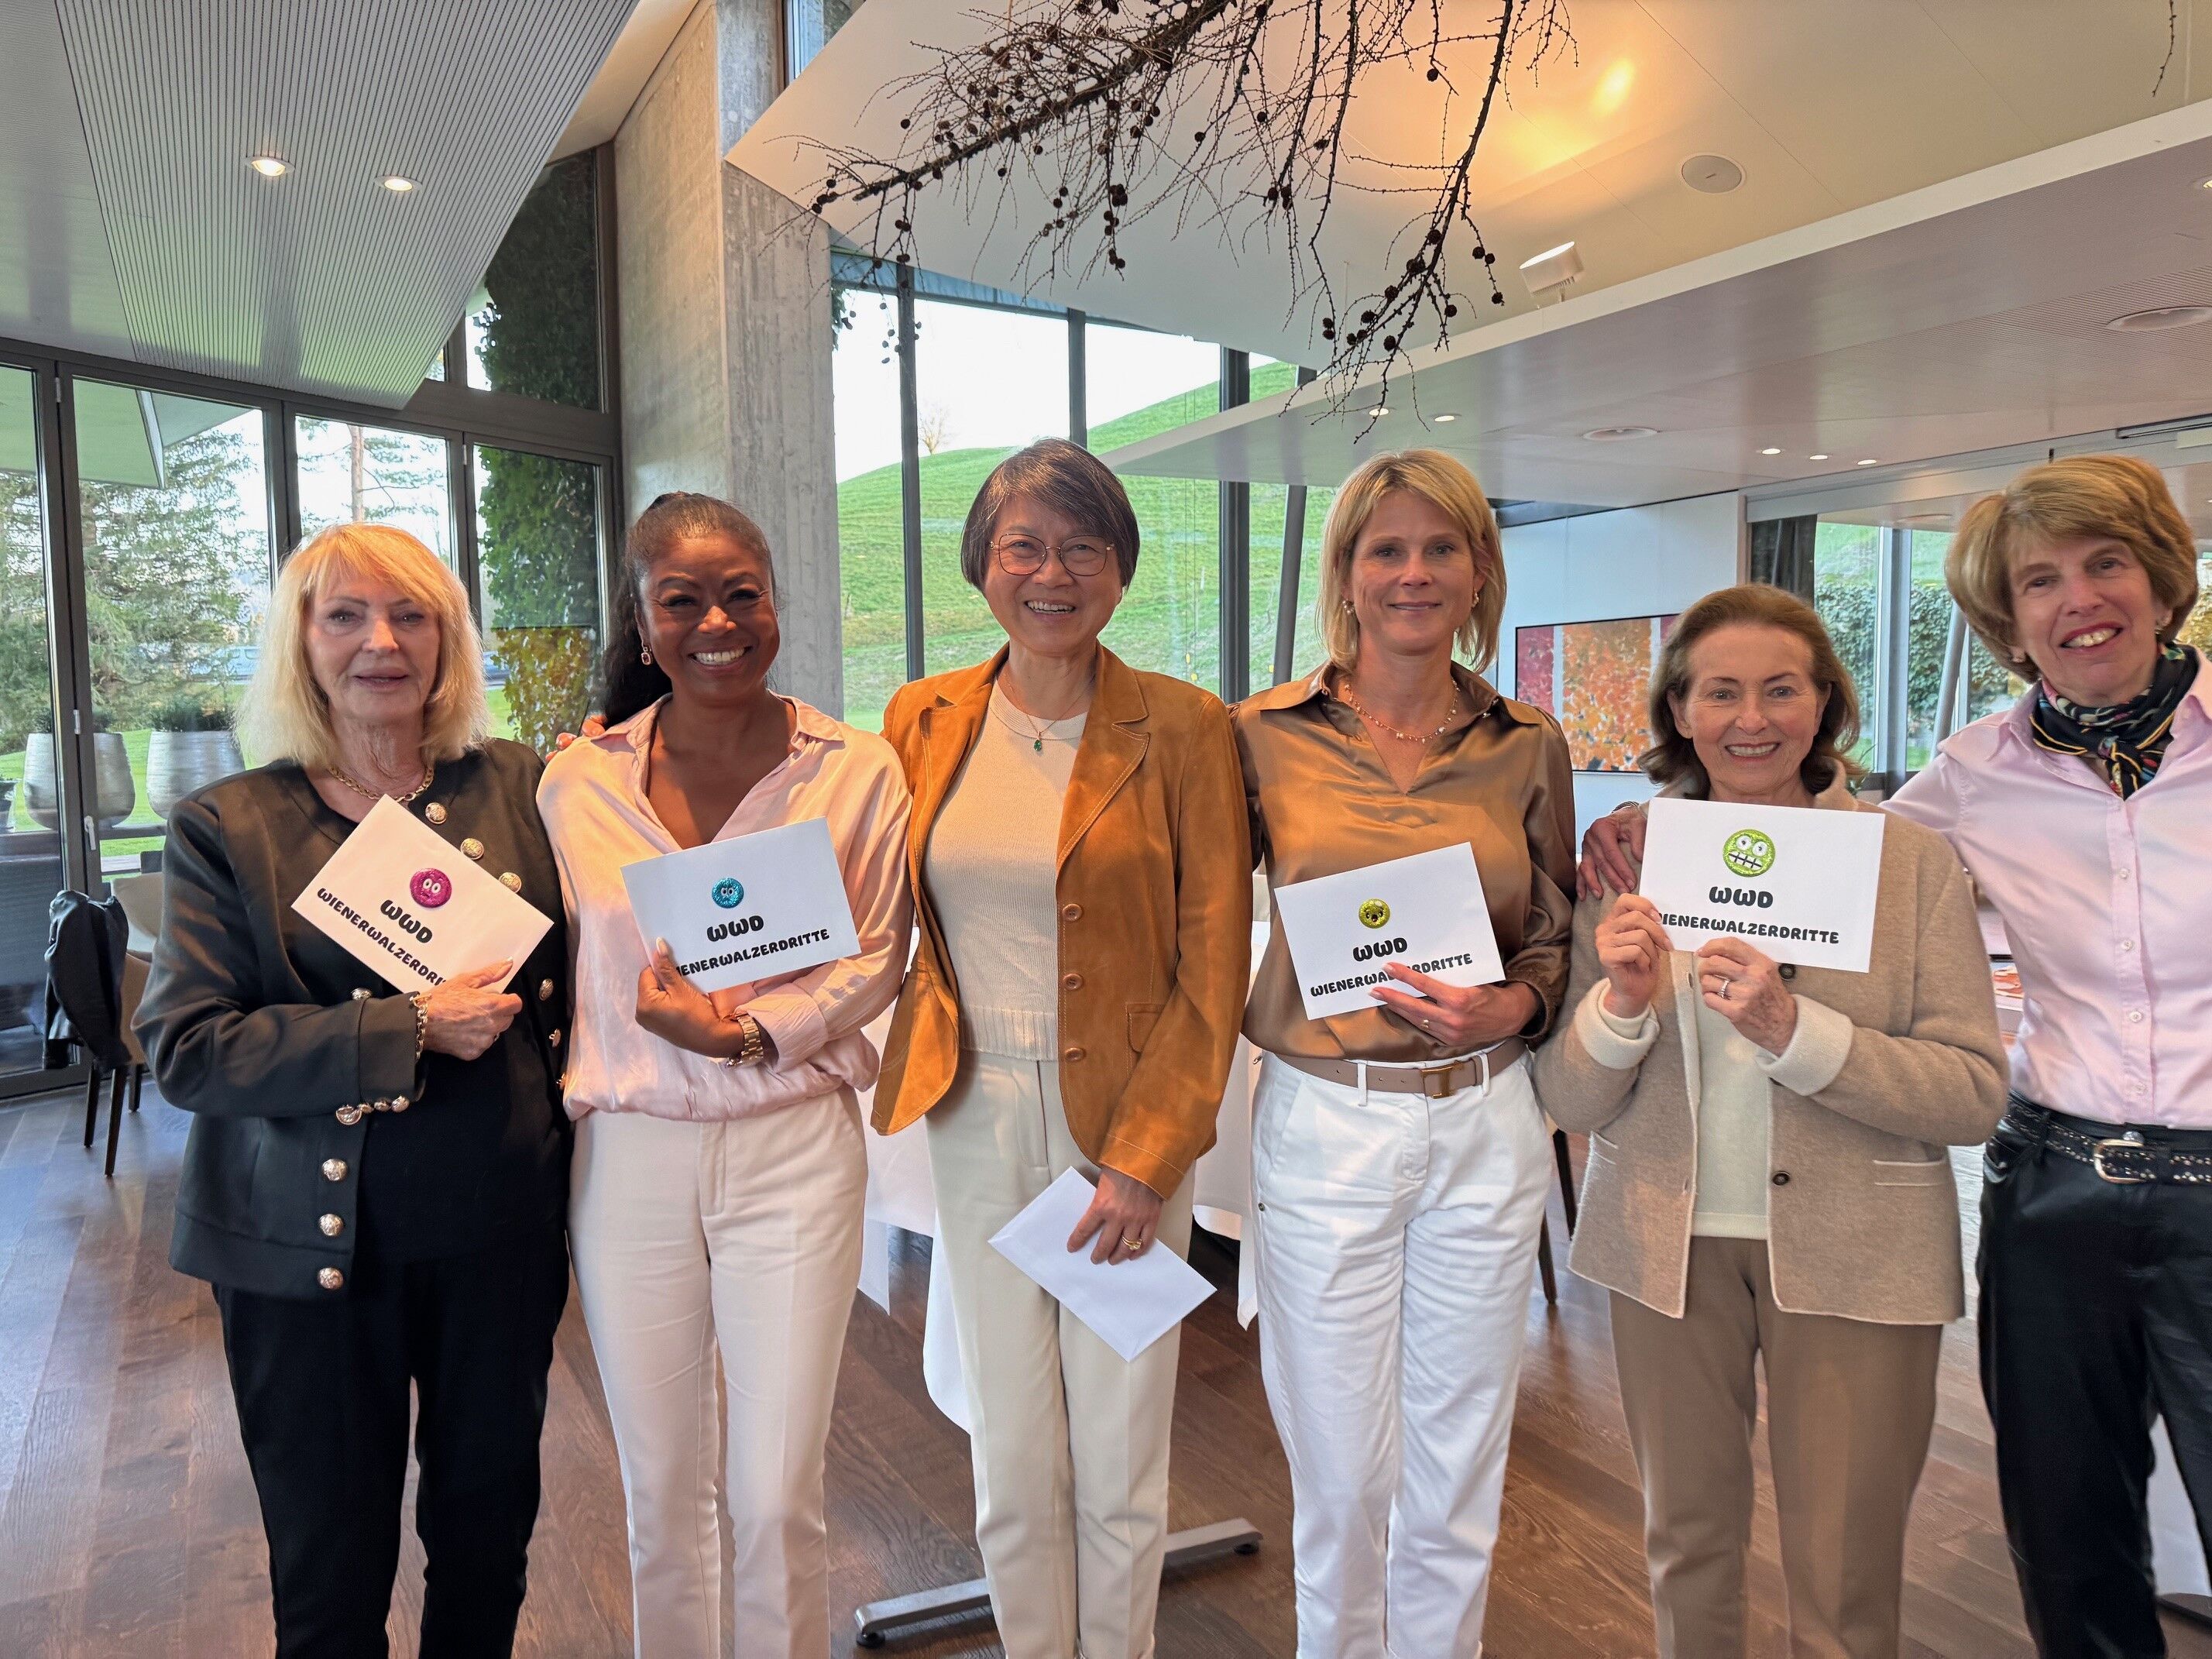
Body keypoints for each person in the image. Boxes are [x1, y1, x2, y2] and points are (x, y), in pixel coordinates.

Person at [1578, 455, 2210, 1659]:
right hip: (2055, 1192)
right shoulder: (1969, 777)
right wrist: (1631, 838)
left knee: (1858, 1569)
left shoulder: (1914, 837)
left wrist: (1794, 1031)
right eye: (2041, 581)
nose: (2079, 600)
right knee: (2071, 1538)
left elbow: (1944, 1047)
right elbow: (1812, 844)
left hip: (2142, 1186)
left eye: (2107, 564)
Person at [1534, 584, 2006, 1658]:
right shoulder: (1628, 862)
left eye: (1781, 689)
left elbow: (1973, 1092)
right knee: (1684, 1548)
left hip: (1860, 1249)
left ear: (1825, 702)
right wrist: (1620, 1008)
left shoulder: (1909, 863)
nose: (1752, 719)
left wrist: (1800, 1033)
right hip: (1664, 1245)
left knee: (1844, 1577)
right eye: (1721, 692)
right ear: (1680, 711)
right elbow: (1568, 1099)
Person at [136, 523, 572, 1657]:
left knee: (487, 1544)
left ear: (448, 642)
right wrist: (405, 1028)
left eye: (411, 615)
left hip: (499, 1245)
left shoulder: (524, 785)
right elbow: (187, 1046)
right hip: (310, 1260)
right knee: (329, 1576)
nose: (382, 642)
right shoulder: (228, 825)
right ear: (302, 643)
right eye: (346, 617)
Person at [871, 438, 1250, 1659]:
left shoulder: (1184, 725)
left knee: (1122, 1453)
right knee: (1012, 1448)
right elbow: (850, 855)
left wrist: (1146, 1159)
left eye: (1084, 547)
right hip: (972, 1109)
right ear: (982, 563)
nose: (1052, 573)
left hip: (1126, 1124)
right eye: (1024, 545)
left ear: (1120, 569)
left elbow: (1213, 964)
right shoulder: (925, 716)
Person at [536, 492, 912, 1659]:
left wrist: (749, 1034)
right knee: (661, 1488)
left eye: (742, 594)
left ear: (775, 605)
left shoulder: (856, 771)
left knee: (776, 1492)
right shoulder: (576, 785)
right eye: (682, 600)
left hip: (794, 1146)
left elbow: (879, 953)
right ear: (643, 624)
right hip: (630, 1153)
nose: (717, 623)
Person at [1234, 448, 1574, 1659]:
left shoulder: (1528, 740)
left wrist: (1515, 1007)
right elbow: (1190, 910)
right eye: (1388, 549)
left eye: (1442, 548)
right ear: (1347, 574)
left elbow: (1555, 932)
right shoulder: (1259, 735)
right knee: (1340, 1476)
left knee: (1459, 1461)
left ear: (1480, 571)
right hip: (1327, 1118)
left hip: (1485, 1118)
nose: (1414, 572)